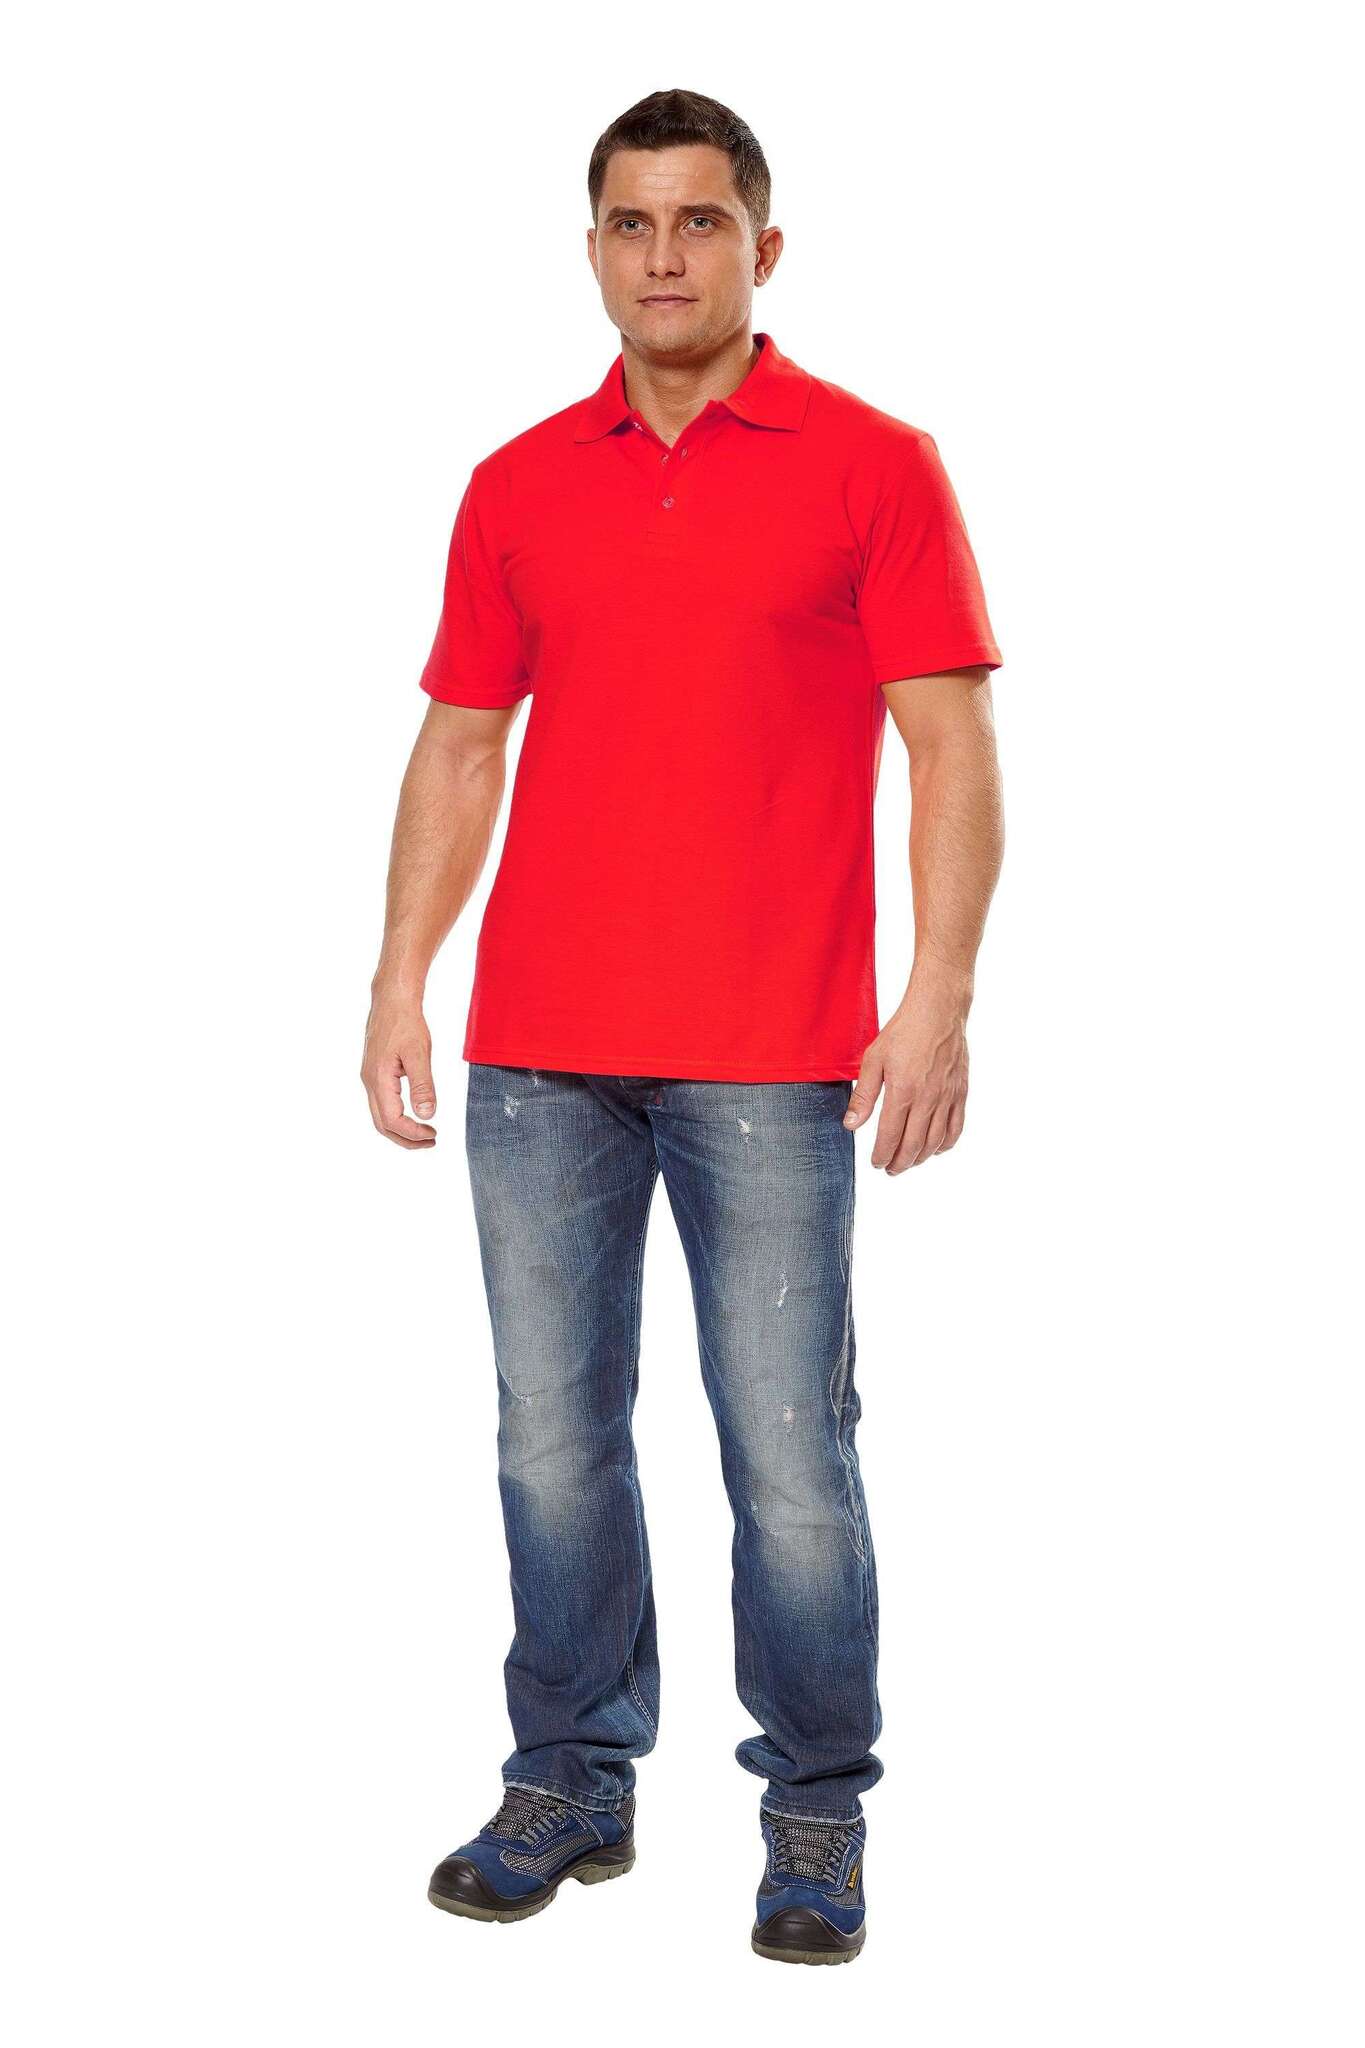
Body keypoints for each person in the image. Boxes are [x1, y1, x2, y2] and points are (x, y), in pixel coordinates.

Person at [361, 86, 1005, 1967]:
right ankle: (571, 1774)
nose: (664, 257)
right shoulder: (516, 483)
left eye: (700, 221)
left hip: (775, 1050)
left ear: (761, 246)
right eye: (632, 224)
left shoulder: (874, 465)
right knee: (549, 1443)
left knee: (788, 1454)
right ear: (592, 251)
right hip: (538, 1052)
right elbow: (460, 744)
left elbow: (951, 746)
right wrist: (399, 972)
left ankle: (814, 1809)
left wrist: (938, 998)